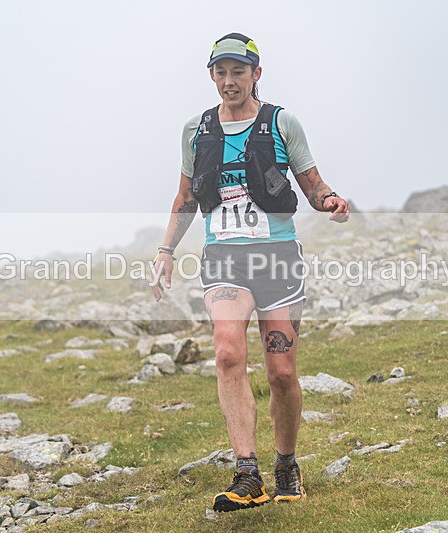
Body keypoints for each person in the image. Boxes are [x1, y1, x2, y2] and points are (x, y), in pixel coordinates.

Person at [150, 32, 349, 513]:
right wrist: (166, 251)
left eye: (238, 71)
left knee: (281, 371)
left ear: (256, 74)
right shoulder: (196, 131)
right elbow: (186, 199)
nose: (229, 80)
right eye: (220, 72)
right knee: (226, 354)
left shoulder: (281, 122)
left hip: (277, 258)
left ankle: (286, 464)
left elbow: (310, 180)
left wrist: (329, 201)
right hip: (223, 260)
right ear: (212, 76)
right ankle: (247, 474)